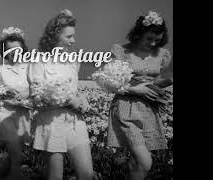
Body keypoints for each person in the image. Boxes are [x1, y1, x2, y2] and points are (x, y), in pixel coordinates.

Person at [106, 11, 172, 180]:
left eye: (157, 39)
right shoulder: (122, 51)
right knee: (146, 161)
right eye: (149, 38)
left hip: (149, 110)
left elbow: (157, 80)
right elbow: (110, 81)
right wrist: (136, 89)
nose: (153, 43)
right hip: (125, 108)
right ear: (139, 34)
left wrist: (165, 82)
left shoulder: (162, 54)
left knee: (138, 162)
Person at [28, 9, 93, 180]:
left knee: (87, 174)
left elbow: (74, 90)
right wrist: (66, 101)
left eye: (73, 36)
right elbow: (37, 99)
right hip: (52, 123)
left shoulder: (73, 61)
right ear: (55, 35)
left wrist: (81, 100)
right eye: (69, 37)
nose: (73, 41)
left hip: (75, 122)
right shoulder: (38, 60)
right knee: (55, 177)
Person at [0, 26, 31, 180]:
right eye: (10, 50)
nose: (14, 53)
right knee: (17, 156)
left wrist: (28, 101)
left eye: (18, 49)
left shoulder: (30, 69)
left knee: (14, 156)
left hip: (24, 115)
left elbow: (36, 92)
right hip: (5, 115)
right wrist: (5, 97)